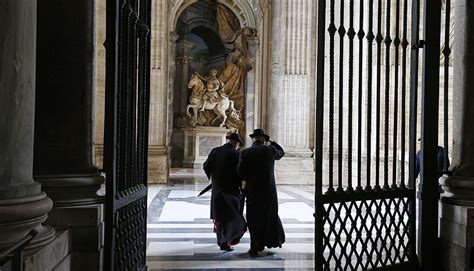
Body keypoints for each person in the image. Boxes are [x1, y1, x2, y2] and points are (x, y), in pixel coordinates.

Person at [237, 128, 286, 256]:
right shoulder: (270, 150)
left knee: (253, 218)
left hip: (252, 190)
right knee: (268, 216)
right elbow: (282, 152)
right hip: (268, 191)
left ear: (253, 139)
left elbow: (240, 172)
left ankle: (255, 247)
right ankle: (268, 241)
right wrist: (272, 142)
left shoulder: (245, 152)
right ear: (264, 139)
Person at [203, 133, 246, 251]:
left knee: (219, 217)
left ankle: (220, 240)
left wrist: (214, 180)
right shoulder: (237, 154)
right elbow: (240, 172)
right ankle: (225, 243)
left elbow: (206, 166)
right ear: (236, 143)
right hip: (231, 190)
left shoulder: (215, 151)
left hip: (217, 190)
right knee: (231, 218)